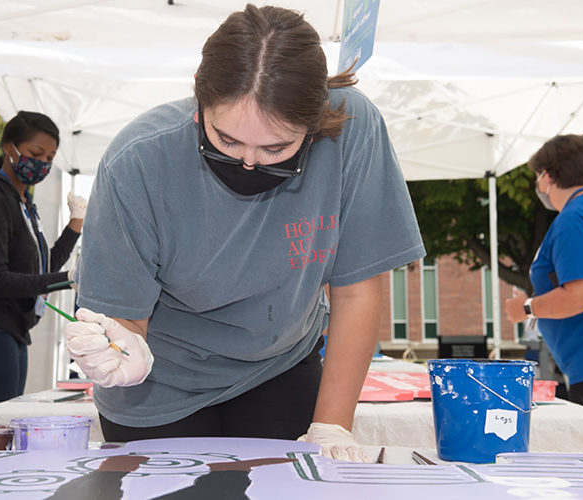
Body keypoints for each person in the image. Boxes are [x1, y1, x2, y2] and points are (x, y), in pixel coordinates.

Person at [65, 4, 425, 462]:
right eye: (227, 141)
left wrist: (332, 426)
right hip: (161, 380)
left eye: (276, 147)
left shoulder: (352, 132)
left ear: (314, 127)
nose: (249, 163)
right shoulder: (137, 162)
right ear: (200, 108)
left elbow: (355, 290)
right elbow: (124, 318)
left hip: (280, 363)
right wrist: (120, 348)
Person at [0, 111, 87, 412]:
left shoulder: (22, 202)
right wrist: (65, 279)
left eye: (50, 157)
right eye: (36, 153)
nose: (43, 164)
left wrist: (75, 226)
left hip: (10, 331)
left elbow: (40, 266)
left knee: (4, 427)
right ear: (9, 148)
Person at [506, 134, 583, 417]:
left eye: (537, 176)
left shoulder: (577, 217)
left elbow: (582, 295)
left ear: (546, 177)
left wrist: (526, 308)